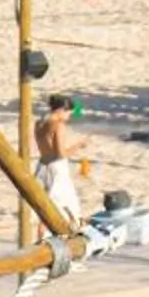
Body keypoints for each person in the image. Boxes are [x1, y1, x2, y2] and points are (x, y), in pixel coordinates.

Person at [33, 91, 89, 223]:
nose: (69, 116)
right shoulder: (58, 125)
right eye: (68, 113)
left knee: (45, 207)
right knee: (66, 205)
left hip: (42, 165)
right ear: (61, 110)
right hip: (56, 168)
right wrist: (78, 146)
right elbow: (60, 154)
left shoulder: (39, 123)